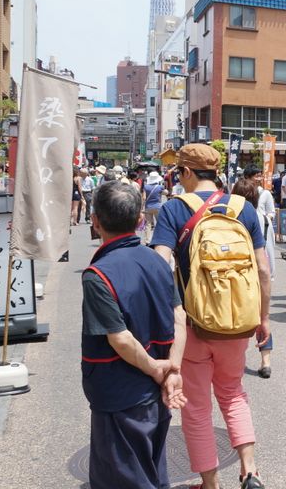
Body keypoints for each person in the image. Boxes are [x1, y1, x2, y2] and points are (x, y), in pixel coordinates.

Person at [150, 144, 270, 489]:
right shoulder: (242, 208)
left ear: (187, 172)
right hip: (237, 322)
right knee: (233, 393)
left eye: (179, 172)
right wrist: (263, 319)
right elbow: (262, 269)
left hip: (193, 325)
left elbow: (161, 264)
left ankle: (210, 483)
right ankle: (250, 471)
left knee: (197, 407)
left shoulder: (175, 209)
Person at [82, 180, 187, 489]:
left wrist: (157, 370)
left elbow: (121, 338)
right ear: (141, 220)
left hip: (119, 391)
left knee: (124, 478)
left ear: (96, 220)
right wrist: (172, 369)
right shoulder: (157, 261)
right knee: (153, 469)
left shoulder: (98, 274)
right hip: (157, 390)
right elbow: (179, 318)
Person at [232, 179, 276, 380]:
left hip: (239, 272)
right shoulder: (259, 215)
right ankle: (266, 360)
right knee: (262, 317)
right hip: (259, 269)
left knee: (236, 315)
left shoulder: (231, 215)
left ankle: (234, 359)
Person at [142, 171, 165, 244]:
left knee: (148, 224)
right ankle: (160, 238)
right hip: (158, 207)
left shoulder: (146, 187)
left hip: (148, 207)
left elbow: (144, 198)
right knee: (159, 223)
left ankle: (147, 240)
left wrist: (142, 207)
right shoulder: (160, 187)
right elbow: (166, 192)